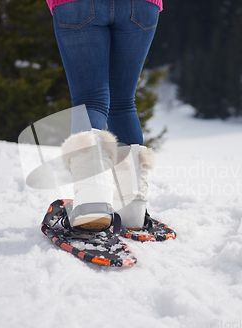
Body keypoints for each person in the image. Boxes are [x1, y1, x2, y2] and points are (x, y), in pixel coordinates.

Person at [48, 0, 162, 231]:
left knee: (89, 101)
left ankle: (92, 201)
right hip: (140, 6)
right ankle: (132, 208)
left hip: (77, 6)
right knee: (123, 102)